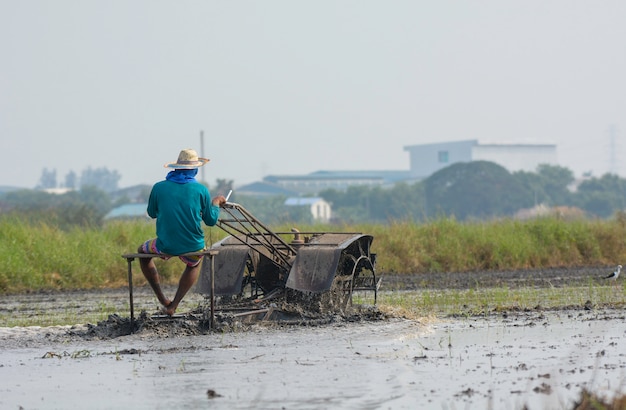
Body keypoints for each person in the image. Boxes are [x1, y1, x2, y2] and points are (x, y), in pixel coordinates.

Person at [138, 148, 227, 316]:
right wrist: (215, 203)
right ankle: (174, 305)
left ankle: (163, 299)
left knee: (142, 251)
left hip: (165, 244)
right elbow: (210, 221)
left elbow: (151, 213)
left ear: (176, 168)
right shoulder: (201, 190)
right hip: (193, 244)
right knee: (194, 262)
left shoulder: (159, 187)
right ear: (194, 170)